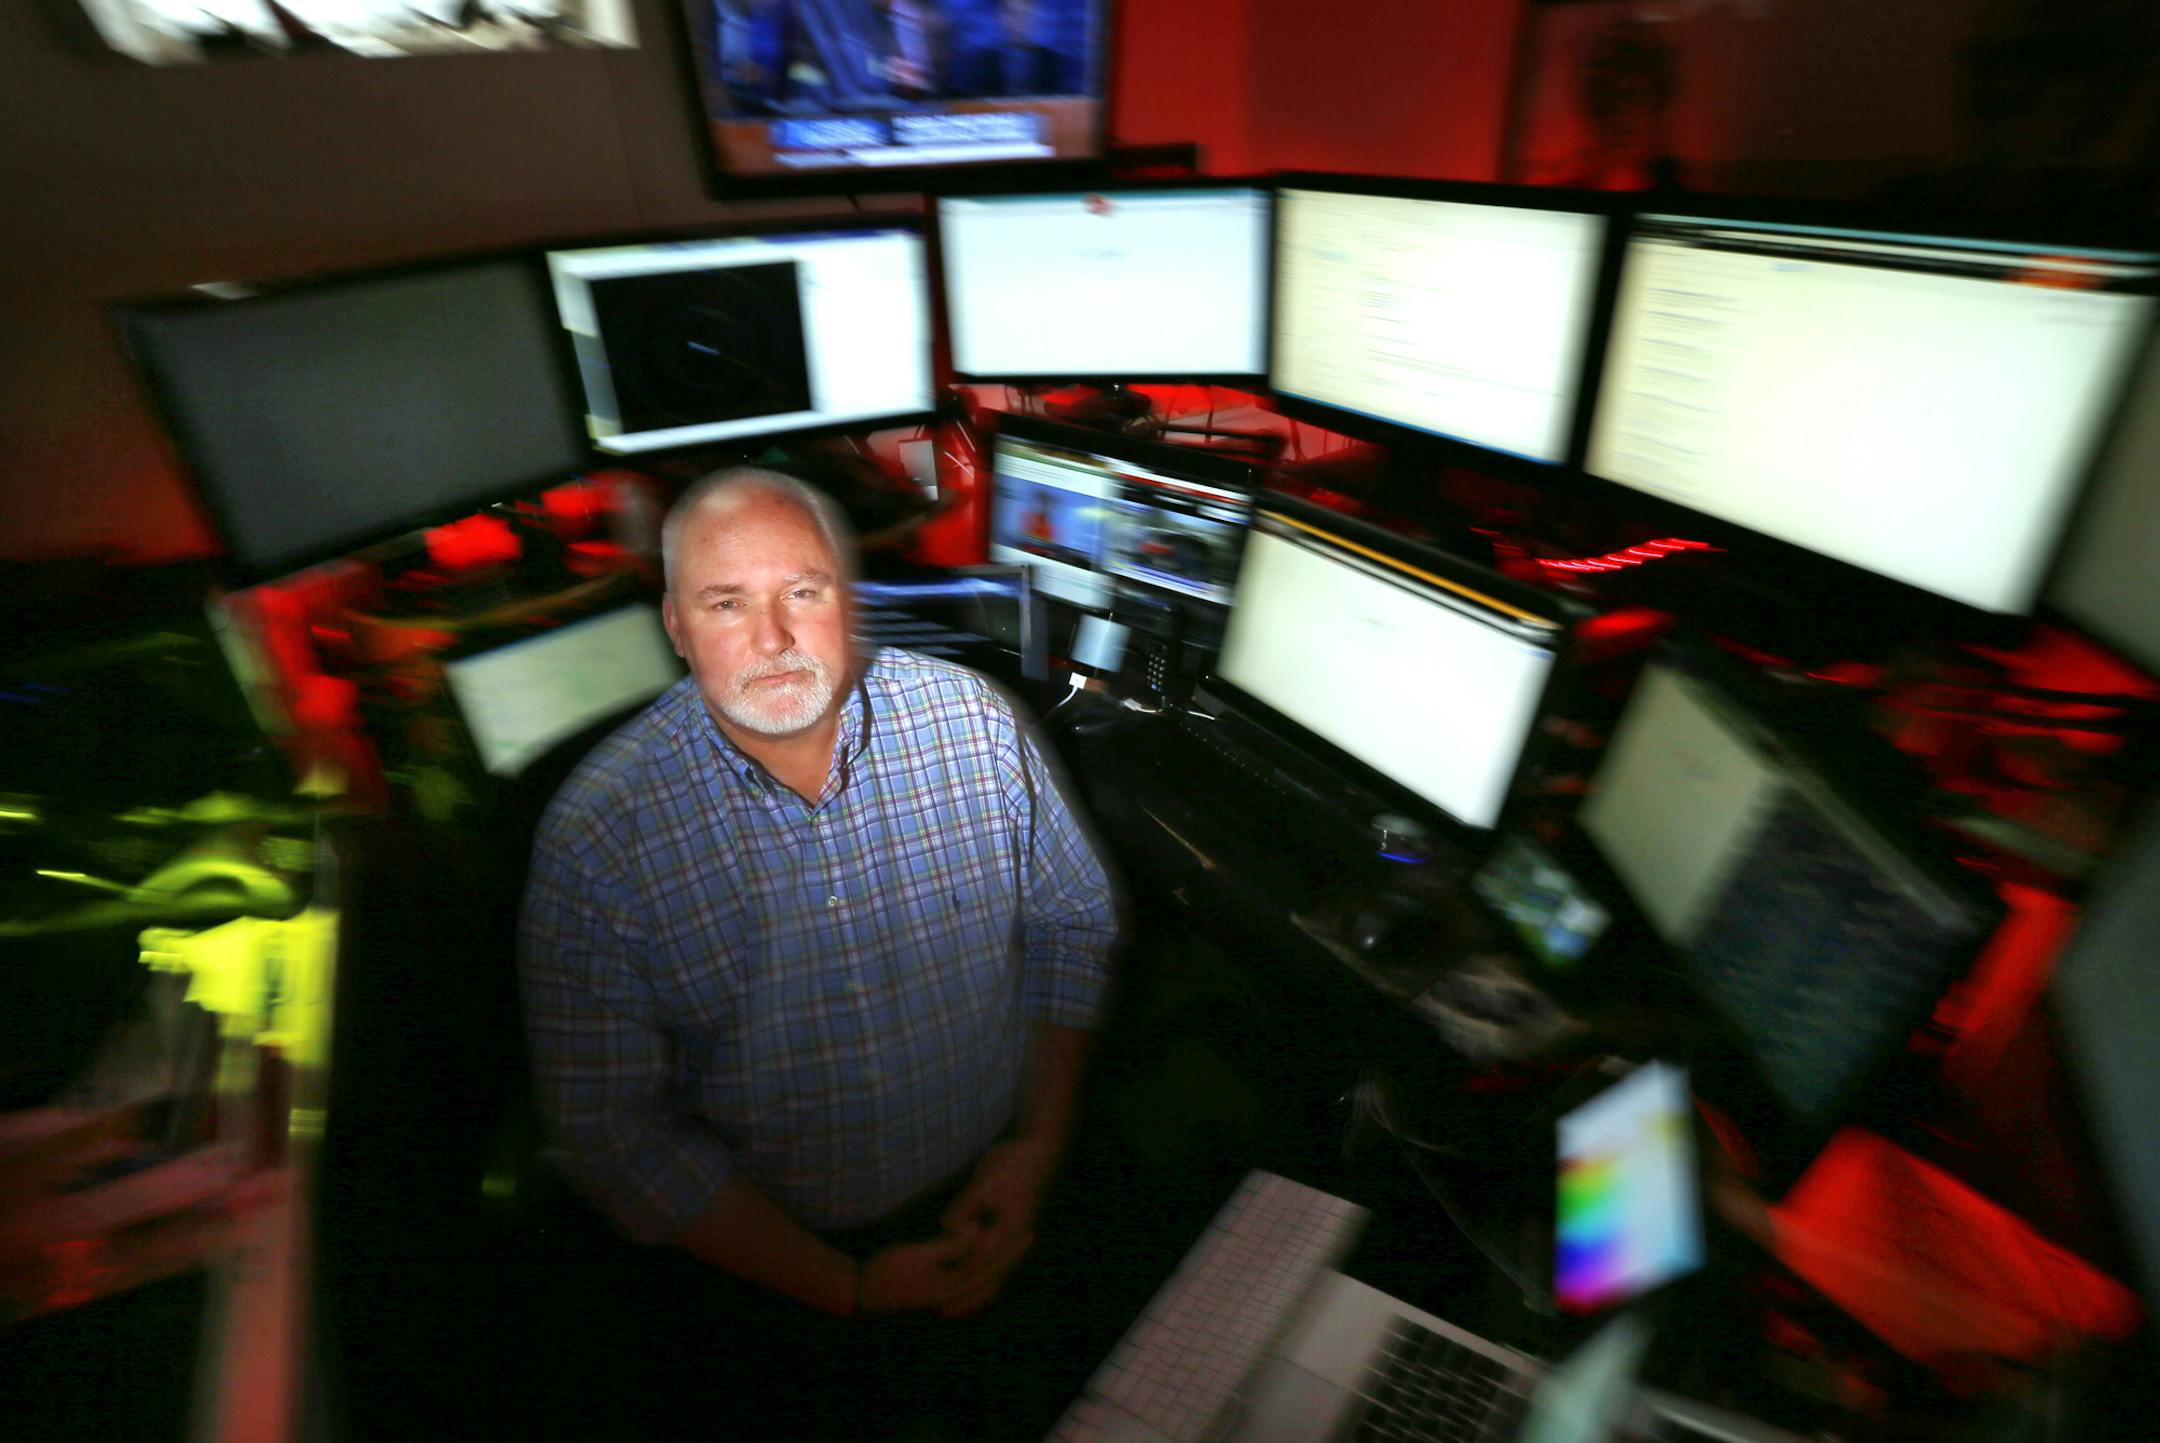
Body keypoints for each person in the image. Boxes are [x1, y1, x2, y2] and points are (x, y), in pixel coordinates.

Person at [518, 466, 1118, 1434]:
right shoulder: (599, 841)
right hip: (774, 1252)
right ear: (676, 626)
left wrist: (1038, 1143)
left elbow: (1071, 925)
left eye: (804, 591)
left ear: (852, 601)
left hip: (1000, 1182)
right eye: (728, 603)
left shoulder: (976, 725)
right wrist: (843, 1286)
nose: (774, 639)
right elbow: (614, 1133)